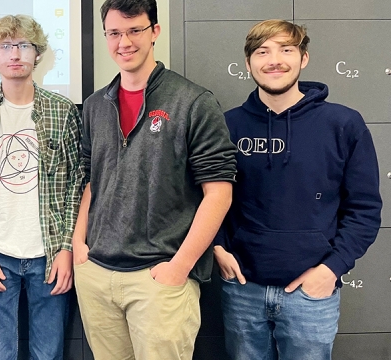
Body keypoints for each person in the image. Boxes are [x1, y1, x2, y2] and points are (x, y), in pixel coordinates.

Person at [72, 0, 237, 359]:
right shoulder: (95, 105)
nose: (124, 42)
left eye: (134, 30)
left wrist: (179, 268)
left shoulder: (193, 102)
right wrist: (78, 245)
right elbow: (91, 179)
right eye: (114, 33)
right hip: (96, 273)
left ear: (155, 32)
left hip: (159, 279)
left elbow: (219, 194)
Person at [214, 19, 383, 360]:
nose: (274, 60)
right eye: (262, 52)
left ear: (303, 58)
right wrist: (217, 247)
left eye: (286, 50)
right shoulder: (228, 125)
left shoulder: (343, 124)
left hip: (312, 294)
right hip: (243, 289)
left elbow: (364, 210)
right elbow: (204, 197)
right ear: (249, 63)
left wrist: (331, 269)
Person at [0, 14, 83, 360]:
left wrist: (67, 248)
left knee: (49, 354)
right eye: (5, 46)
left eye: (23, 45)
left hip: (51, 252)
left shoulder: (62, 111)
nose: (15, 54)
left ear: (37, 54)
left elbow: (76, 184)